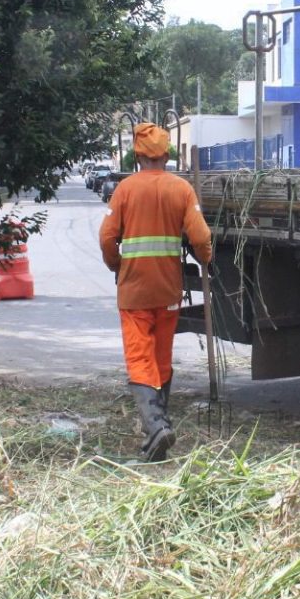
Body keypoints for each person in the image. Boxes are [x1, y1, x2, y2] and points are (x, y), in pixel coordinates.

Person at [98, 123, 212, 461]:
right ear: (166, 154)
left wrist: (115, 264)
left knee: (139, 357)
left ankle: (157, 426)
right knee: (160, 357)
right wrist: (206, 259)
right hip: (168, 291)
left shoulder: (125, 190)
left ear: (138, 154)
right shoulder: (182, 189)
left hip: (133, 290)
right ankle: (158, 428)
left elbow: (106, 238)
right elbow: (201, 238)